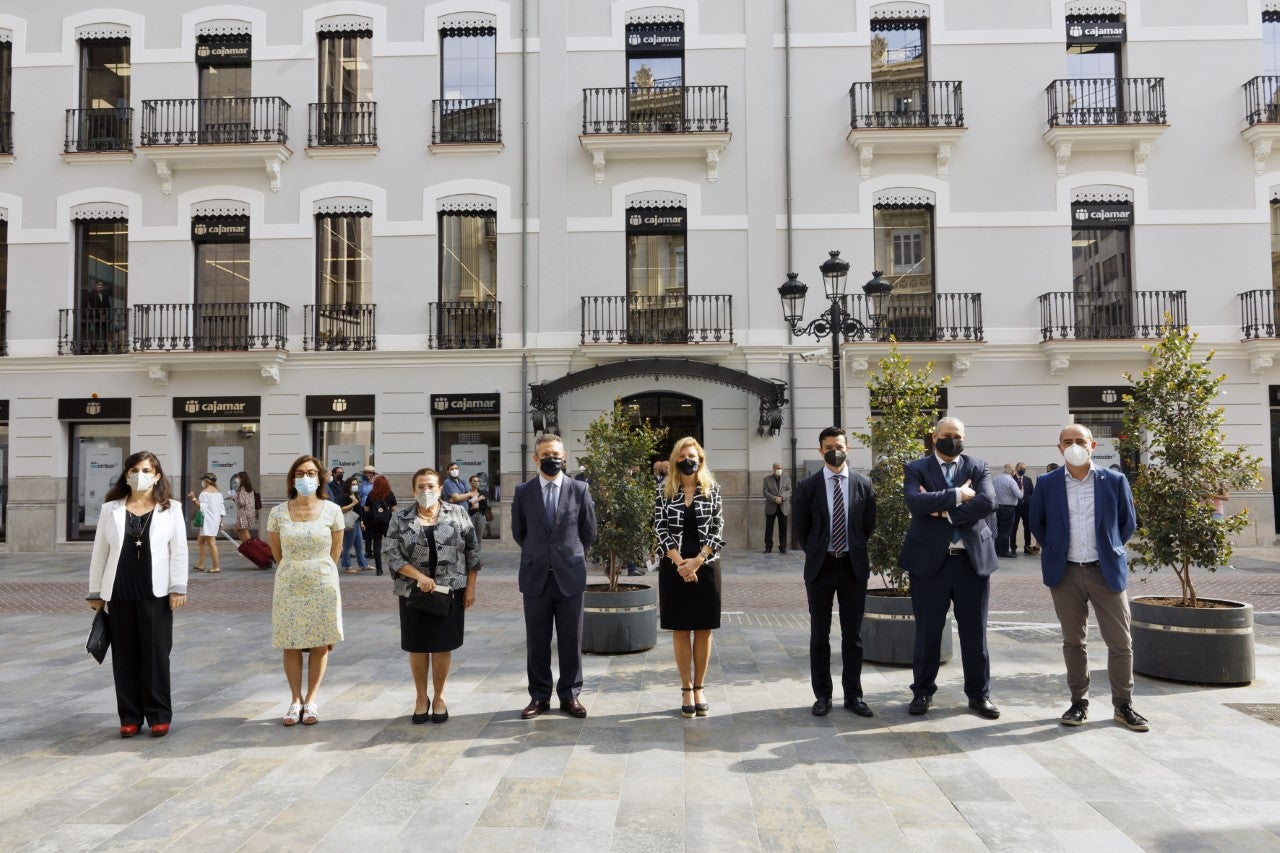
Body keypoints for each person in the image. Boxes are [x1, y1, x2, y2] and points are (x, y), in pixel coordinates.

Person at [1029, 424, 1149, 732]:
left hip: (1104, 570)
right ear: (1059, 448)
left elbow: (1128, 523)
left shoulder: (1114, 480)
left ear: (1092, 445)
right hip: (1065, 573)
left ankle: (1124, 705)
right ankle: (1078, 702)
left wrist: (1109, 548)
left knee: (1120, 642)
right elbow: (1037, 524)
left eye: (1079, 441)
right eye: (1067, 442)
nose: (1073, 446)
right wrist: (1055, 550)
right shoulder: (1047, 483)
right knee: (1073, 641)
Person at [900, 416, 1001, 719]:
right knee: (928, 632)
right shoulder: (916, 467)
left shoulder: (978, 466)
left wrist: (946, 513)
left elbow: (987, 502)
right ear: (934, 437)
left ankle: (979, 695)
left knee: (975, 633)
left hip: (971, 562)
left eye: (957, 435)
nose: (952, 439)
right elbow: (914, 503)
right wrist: (958, 494)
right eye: (947, 434)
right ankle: (922, 692)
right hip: (930, 564)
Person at [88, 451, 188, 738]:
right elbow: (100, 553)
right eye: (134, 469)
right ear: (126, 474)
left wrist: (178, 586)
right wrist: (95, 591)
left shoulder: (171, 508)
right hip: (118, 590)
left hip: (155, 591)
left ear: (157, 476)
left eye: (146, 470)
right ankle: (129, 716)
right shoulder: (111, 509)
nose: (140, 475)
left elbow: (179, 551)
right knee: (125, 655)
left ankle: (158, 714)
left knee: (156, 654)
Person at [511, 433, 597, 720]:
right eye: (546, 454)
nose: (552, 459)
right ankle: (539, 696)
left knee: (571, 639)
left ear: (565, 457)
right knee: (537, 640)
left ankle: (570, 695)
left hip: (569, 576)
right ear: (536, 459)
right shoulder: (523, 492)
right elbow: (519, 533)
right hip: (536, 576)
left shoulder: (580, 489)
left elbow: (589, 532)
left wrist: (567, 555)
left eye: (557, 454)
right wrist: (541, 554)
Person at [384, 468, 480, 723]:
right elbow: (392, 554)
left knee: (441, 646)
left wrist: (470, 588)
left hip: (450, 591)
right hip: (413, 591)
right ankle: (420, 697)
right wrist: (419, 577)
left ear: (440, 489)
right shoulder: (401, 518)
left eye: (430, 486)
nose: (426, 491)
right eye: (420, 487)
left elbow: (473, 553)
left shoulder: (457, 513)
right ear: (413, 490)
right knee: (417, 646)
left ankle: (439, 697)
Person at [793, 427, 877, 717]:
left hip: (853, 567)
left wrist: (849, 547)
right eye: (828, 446)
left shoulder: (863, 484)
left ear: (847, 448)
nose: (834, 450)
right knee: (820, 635)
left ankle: (854, 696)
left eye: (839, 445)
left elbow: (867, 526)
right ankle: (823, 696)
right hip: (821, 568)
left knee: (853, 636)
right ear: (820, 451)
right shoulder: (808, 486)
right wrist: (819, 551)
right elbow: (801, 529)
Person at [267, 455, 344, 726]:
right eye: (300, 473)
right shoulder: (277, 512)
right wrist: (295, 568)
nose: (305, 478)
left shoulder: (333, 510)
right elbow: (277, 553)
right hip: (289, 581)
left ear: (320, 477)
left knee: (320, 642)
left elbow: (336, 550)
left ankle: (311, 698)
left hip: (322, 582)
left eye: (311, 473)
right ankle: (295, 698)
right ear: (292, 478)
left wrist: (320, 570)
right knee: (291, 643)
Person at [652, 437, 725, 718]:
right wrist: (681, 563)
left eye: (691, 456)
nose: (687, 461)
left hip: (706, 567)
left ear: (701, 459)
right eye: (681, 457)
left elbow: (718, 530)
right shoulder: (664, 491)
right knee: (681, 629)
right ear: (674, 461)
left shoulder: (713, 490)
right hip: (674, 567)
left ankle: (699, 687)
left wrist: (697, 561)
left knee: (704, 629)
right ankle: (685, 688)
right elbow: (660, 528)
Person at [187, 473, 225, 573]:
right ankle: (201, 564)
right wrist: (221, 522)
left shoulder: (205, 492)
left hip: (208, 521)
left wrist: (193, 497)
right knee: (201, 540)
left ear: (207, 481)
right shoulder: (218, 492)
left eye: (203, 480)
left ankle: (216, 566)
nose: (202, 482)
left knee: (212, 543)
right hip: (214, 520)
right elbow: (222, 509)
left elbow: (200, 506)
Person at [364, 475, 397, 576]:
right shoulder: (390, 494)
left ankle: (379, 569)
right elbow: (394, 508)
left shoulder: (372, 494)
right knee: (393, 545)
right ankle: (395, 568)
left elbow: (366, 508)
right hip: (387, 523)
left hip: (375, 523)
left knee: (377, 546)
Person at [339, 474, 369, 574]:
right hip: (349, 524)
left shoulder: (356, 495)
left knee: (359, 546)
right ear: (348, 486)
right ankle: (347, 566)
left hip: (356, 523)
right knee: (347, 546)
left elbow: (358, 511)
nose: (355, 486)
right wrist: (353, 503)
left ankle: (363, 565)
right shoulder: (344, 496)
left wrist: (361, 522)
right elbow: (341, 509)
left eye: (356, 484)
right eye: (353, 484)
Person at [992, 463, 1022, 558]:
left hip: (996, 508)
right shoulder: (1011, 480)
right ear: (1012, 471)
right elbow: (1019, 495)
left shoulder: (995, 479)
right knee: (1006, 530)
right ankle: (1004, 551)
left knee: (997, 529)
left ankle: (996, 550)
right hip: (1008, 508)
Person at [762, 462, 792, 554]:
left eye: (781, 468)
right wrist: (775, 498)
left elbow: (789, 491)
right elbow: (765, 492)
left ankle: (783, 547)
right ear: (773, 469)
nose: (780, 470)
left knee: (783, 528)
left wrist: (782, 498)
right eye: (778, 468)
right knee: (769, 528)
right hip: (771, 506)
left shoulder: (787, 479)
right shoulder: (767, 479)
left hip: (783, 507)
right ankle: (768, 547)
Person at [227, 471, 262, 549]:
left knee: (244, 531)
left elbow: (241, 503)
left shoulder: (242, 490)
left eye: (238, 478)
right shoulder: (250, 489)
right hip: (249, 513)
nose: (237, 480)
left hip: (243, 514)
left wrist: (234, 498)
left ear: (242, 479)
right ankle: (246, 546)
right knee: (238, 529)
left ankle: (250, 548)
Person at [1012, 462, 1040, 555]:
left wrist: (1030, 502)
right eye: (1020, 468)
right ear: (1016, 469)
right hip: (1015, 507)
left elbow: (1032, 493)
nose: (1022, 470)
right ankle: (1013, 547)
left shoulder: (1028, 480)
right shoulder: (1011, 479)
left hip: (1026, 508)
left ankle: (1027, 547)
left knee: (1027, 528)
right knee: (1013, 528)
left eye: (1024, 468)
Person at [360, 464, 377, 559]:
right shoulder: (363, 484)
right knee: (367, 531)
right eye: (366, 473)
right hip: (364, 509)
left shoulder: (376, 484)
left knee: (374, 531)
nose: (367, 475)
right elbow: (361, 496)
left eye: (369, 473)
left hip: (373, 510)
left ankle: (375, 551)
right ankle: (368, 551)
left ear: (373, 474)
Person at [467, 474, 490, 546]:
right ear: (470, 482)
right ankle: (472, 554)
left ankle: (477, 554)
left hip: (481, 516)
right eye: (474, 481)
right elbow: (467, 506)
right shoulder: (467, 493)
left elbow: (484, 506)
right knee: (471, 536)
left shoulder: (483, 492)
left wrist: (473, 503)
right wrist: (478, 499)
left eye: (478, 481)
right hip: (470, 516)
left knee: (479, 537)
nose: (476, 482)